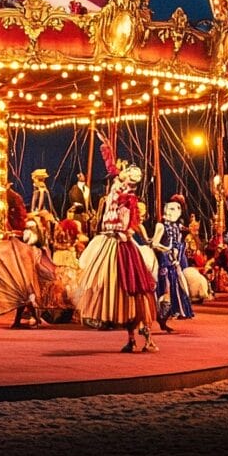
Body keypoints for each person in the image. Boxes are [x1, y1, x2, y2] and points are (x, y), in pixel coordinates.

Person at [74, 140, 159, 352]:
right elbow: (112, 169)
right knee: (110, 287)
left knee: (131, 287)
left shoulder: (128, 198)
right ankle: (131, 338)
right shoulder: (116, 190)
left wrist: (125, 230)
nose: (120, 177)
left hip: (120, 244)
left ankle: (145, 336)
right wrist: (107, 149)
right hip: (109, 241)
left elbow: (129, 224)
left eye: (125, 176)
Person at [150, 194, 194, 330]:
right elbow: (155, 244)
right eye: (169, 209)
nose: (170, 212)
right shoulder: (161, 226)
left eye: (175, 209)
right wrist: (167, 249)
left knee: (179, 286)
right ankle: (160, 316)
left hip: (174, 260)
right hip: (164, 260)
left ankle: (168, 315)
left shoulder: (177, 227)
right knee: (165, 287)